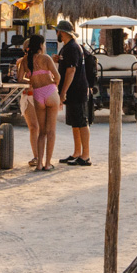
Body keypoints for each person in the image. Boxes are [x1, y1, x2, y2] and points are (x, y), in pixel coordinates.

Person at [15, 34, 61, 171]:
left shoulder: (24, 60)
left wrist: (32, 81)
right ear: (41, 45)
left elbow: (19, 79)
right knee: (51, 131)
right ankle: (48, 164)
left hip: (37, 94)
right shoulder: (46, 58)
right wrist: (53, 84)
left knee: (41, 132)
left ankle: (39, 163)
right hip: (50, 93)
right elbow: (57, 76)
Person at [55, 20, 92, 166]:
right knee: (75, 123)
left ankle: (86, 155)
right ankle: (77, 152)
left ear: (62, 32)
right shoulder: (67, 47)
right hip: (74, 89)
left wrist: (63, 92)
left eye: (57, 31)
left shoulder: (71, 48)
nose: (56, 34)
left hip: (76, 89)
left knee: (82, 122)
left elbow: (71, 70)